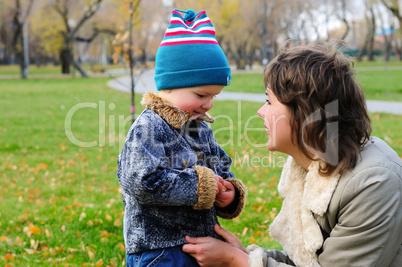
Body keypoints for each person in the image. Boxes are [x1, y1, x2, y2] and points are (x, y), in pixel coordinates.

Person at [182, 41, 402, 266]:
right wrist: (247, 256)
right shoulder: (313, 165)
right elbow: (308, 261)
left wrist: (236, 261)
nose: (260, 112)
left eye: (269, 101)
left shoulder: (373, 182)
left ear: (306, 112)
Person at [117, 8, 247, 267]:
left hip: (202, 247)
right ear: (169, 87)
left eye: (214, 96)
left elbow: (221, 168)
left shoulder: (201, 129)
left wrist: (229, 193)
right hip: (160, 251)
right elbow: (141, 181)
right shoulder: (149, 127)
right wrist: (201, 187)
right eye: (201, 95)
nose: (209, 104)